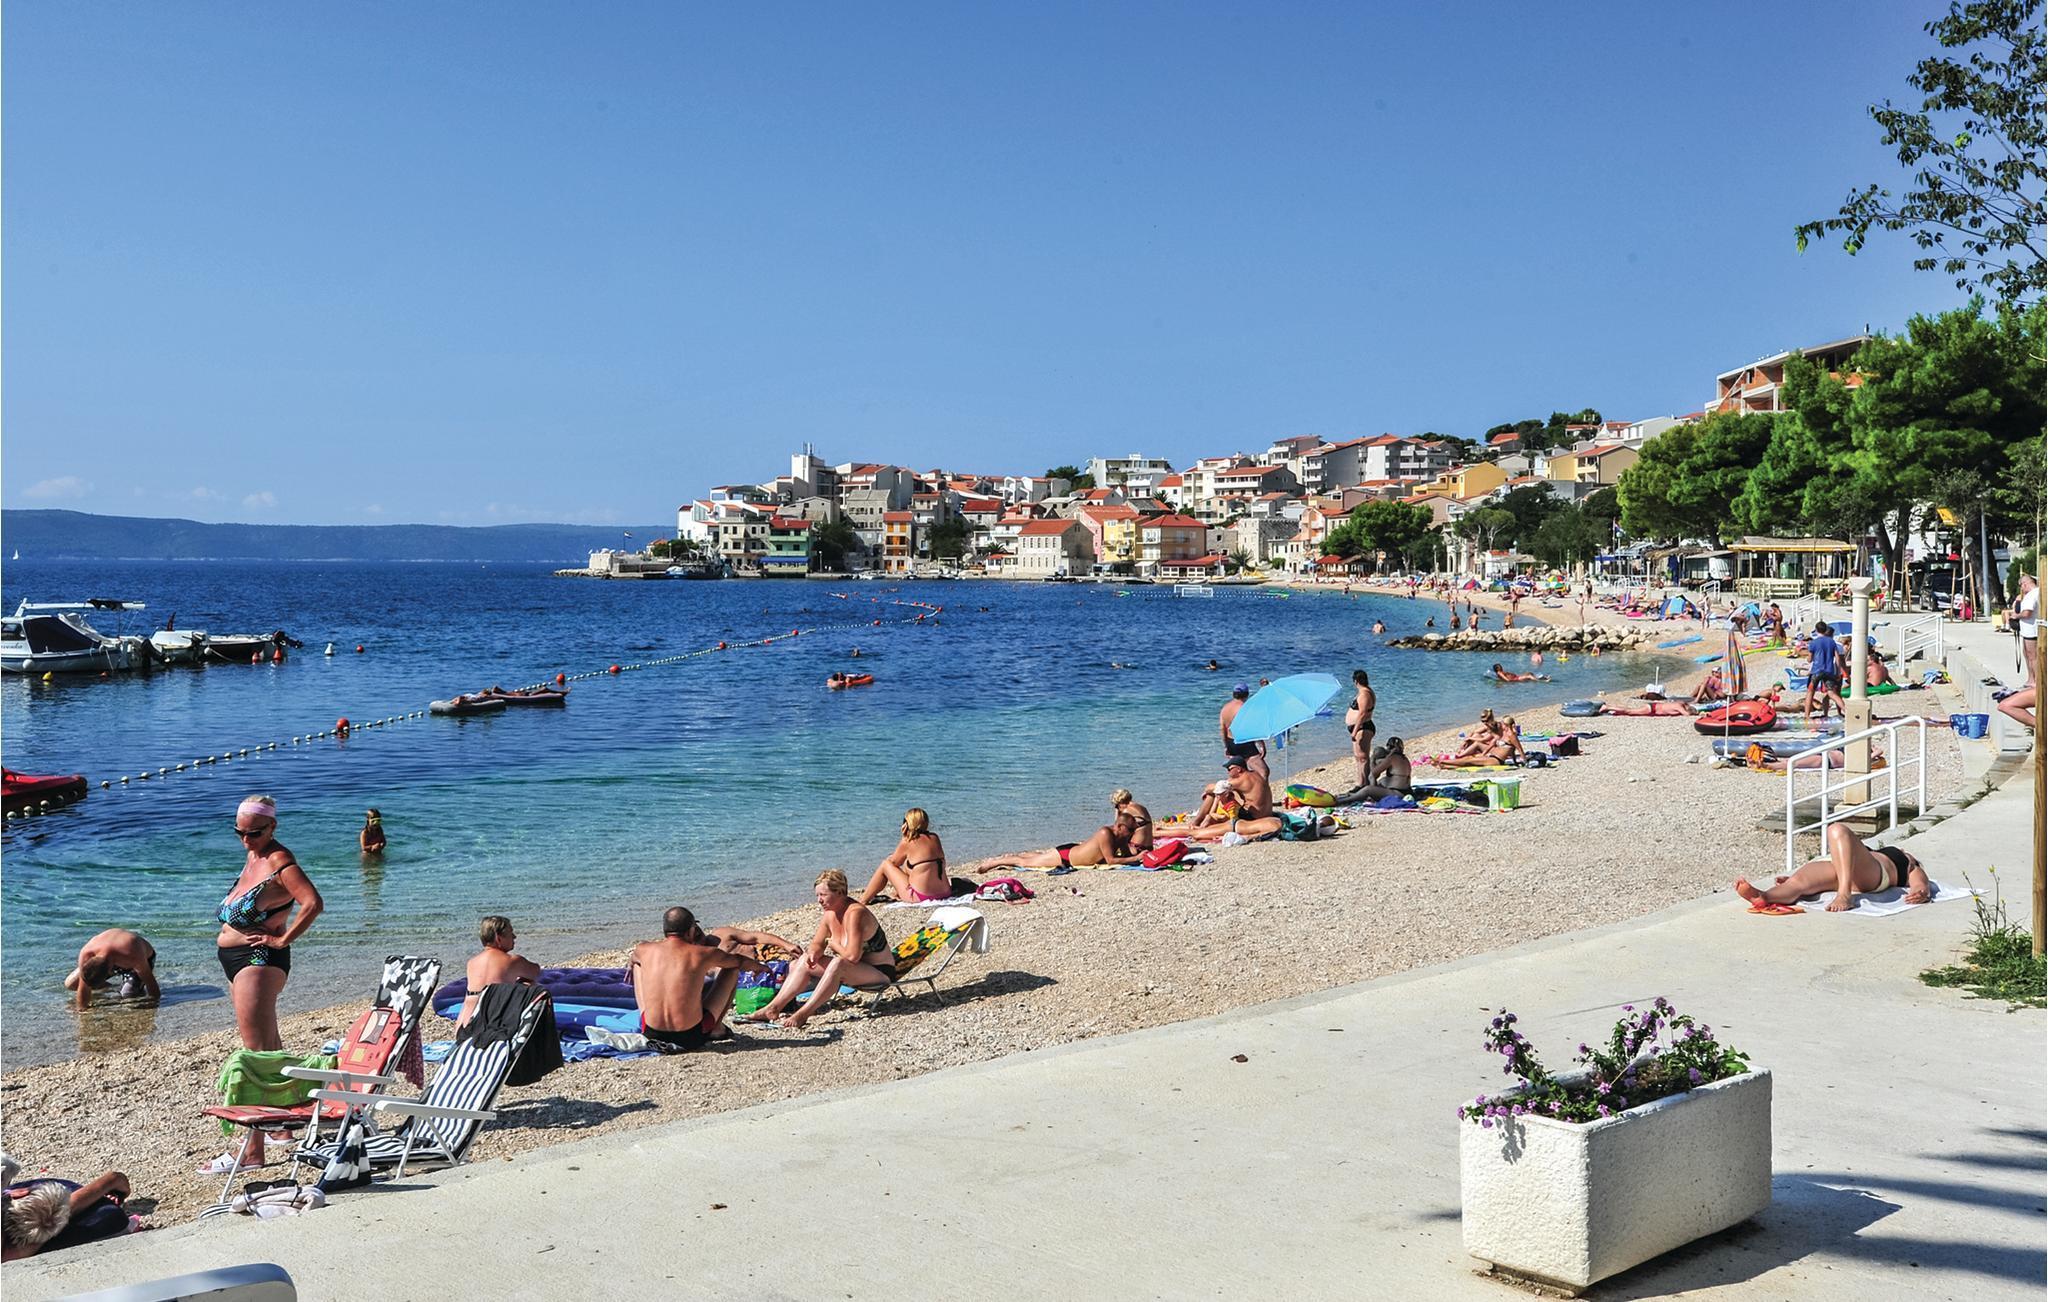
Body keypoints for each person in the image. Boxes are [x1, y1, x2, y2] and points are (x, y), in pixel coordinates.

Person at [215, 796, 321, 1053]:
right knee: (268, 1048)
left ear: (272, 826)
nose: (246, 840)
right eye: (239, 832)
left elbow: (313, 903)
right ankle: (291, 1080)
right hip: (237, 960)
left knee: (258, 1051)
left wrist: (282, 940)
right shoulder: (254, 855)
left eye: (254, 833)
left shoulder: (279, 862)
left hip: (258, 962)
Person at [740, 872, 899, 1030]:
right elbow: (817, 943)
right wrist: (814, 953)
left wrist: (834, 945)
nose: (819, 900)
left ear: (840, 892)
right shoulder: (830, 914)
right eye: (817, 895)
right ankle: (773, 1008)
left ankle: (803, 1014)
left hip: (879, 973)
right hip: (856, 970)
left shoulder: (855, 913)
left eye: (823, 895)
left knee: (838, 963)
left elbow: (852, 956)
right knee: (803, 960)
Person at [629, 907, 762, 1051]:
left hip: (651, 1033)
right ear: (690, 931)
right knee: (732, 968)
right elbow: (739, 961)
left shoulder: (643, 949)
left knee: (637, 964)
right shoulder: (703, 953)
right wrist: (760, 968)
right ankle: (716, 1027)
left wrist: (635, 965)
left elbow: (633, 958)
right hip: (691, 1037)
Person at [1735, 824, 1931, 912]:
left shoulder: (1906, 860)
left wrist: (1920, 889)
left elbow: (1918, 878)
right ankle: (1764, 897)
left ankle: (1844, 894)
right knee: (1797, 883)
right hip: (1843, 870)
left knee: (1836, 830)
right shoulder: (1875, 853)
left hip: (1874, 875)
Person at [2, 1162, 135, 1261]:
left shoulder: (13, 1251)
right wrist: (112, 1180)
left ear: (17, 1192)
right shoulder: (19, 1250)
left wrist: (112, 1180)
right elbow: (69, 1206)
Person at [973, 813, 1145, 869]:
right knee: (1025, 863)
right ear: (1120, 827)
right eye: (1130, 830)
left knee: (1038, 857)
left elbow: (1126, 855)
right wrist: (1136, 857)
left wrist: (1137, 854)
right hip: (1066, 857)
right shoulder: (1105, 833)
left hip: (1073, 851)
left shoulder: (1121, 837)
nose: (1132, 833)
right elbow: (1111, 860)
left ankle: (1021, 854)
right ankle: (995, 862)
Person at [457, 916, 543, 1029]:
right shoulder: (512, 961)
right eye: (511, 933)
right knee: (531, 986)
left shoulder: (471, 962)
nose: (514, 937)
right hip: (491, 1029)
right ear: (498, 938)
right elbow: (535, 972)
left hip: (463, 1027)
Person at [856, 808, 951, 905]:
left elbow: (894, 863)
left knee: (885, 864)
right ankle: (897, 893)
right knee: (910, 864)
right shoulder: (935, 837)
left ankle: (863, 900)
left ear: (907, 824)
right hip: (945, 893)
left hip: (920, 897)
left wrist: (904, 837)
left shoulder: (908, 841)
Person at [63, 929, 159, 1010]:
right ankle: (115, 987)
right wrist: (82, 1011)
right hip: (112, 957)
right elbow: (83, 986)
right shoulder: (86, 954)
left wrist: (156, 1004)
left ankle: (130, 986)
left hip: (143, 957)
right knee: (71, 983)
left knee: (128, 994)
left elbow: (150, 982)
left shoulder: (132, 955)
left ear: (110, 971)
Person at [1337, 737, 1411, 803]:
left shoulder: (1391, 758)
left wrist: (1372, 759)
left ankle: (1341, 801)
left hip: (1397, 794)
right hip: (1406, 792)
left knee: (1367, 789)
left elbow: (1373, 774)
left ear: (1388, 747)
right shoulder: (1404, 759)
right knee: (1381, 781)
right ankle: (1355, 795)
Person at [1219, 684, 1269, 780]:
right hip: (1245, 743)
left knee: (1238, 773)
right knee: (1263, 772)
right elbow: (1252, 728)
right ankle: (1260, 789)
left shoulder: (1225, 708)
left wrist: (1226, 746)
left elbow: (1222, 728)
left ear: (1233, 694)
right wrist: (1261, 745)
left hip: (1231, 742)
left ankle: (1244, 788)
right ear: (1247, 694)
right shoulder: (1245, 708)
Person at [1802, 623, 1846, 723]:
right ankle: (1846, 711)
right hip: (1829, 670)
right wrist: (1838, 672)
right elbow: (1837, 658)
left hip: (1817, 670)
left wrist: (1808, 658)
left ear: (1816, 630)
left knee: (1810, 692)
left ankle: (1807, 716)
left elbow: (1810, 659)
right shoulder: (1831, 642)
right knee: (1831, 693)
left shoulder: (1813, 642)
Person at [1345, 670, 1377, 788]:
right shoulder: (1363, 692)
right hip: (1359, 727)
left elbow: (1363, 713)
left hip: (1363, 727)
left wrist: (1355, 730)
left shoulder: (1365, 694)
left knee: (1363, 757)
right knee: (1358, 756)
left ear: (1355, 681)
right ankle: (1360, 783)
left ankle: (1365, 784)